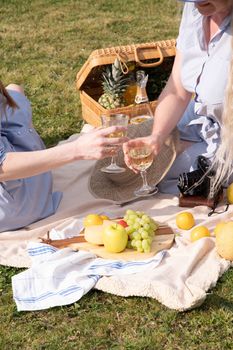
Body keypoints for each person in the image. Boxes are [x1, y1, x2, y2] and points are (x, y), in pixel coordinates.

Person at [123, 0, 233, 194]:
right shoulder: (194, 10)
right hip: (202, 115)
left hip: (228, 137)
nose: (197, 3)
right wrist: (156, 137)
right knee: (135, 165)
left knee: (169, 180)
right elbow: (177, 89)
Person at [0, 81, 128, 232]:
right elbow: (3, 167)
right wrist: (77, 150)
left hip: (31, 177)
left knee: (15, 89)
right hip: (19, 206)